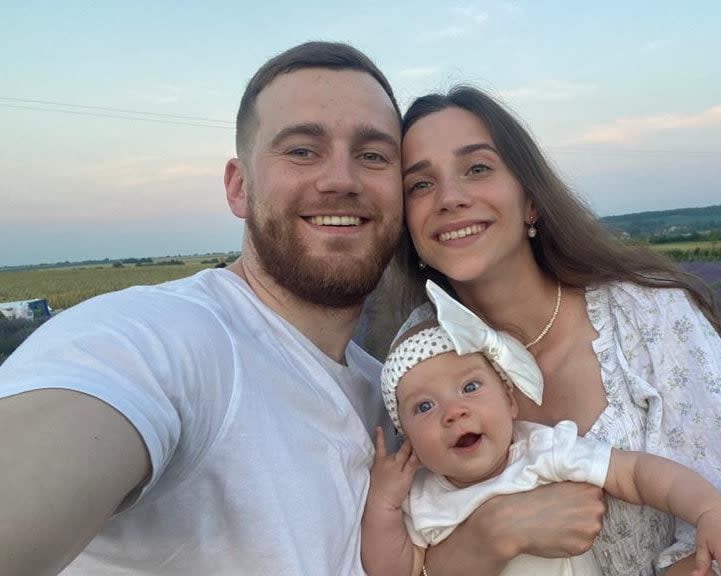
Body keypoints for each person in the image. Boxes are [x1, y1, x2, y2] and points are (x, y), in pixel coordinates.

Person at [0, 42, 606, 576]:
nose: (340, 179)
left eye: (373, 155)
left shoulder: (399, 394)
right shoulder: (164, 341)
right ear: (239, 187)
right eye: (302, 150)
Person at [393, 86, 721, 575]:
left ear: (530, 199)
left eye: (477, 168)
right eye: (420, 185)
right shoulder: (415, 357)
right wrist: (498, 530)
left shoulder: (646, 314)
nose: (450, 198)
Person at [362, 280, 721, 576]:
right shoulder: (423, 500)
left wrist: (711, 510)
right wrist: (383, 504)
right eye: (425, 407)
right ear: (408, 437)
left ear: (510, 400)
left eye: (470, 387)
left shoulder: (542, 450)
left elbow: (636, 473)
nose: (454, 412)